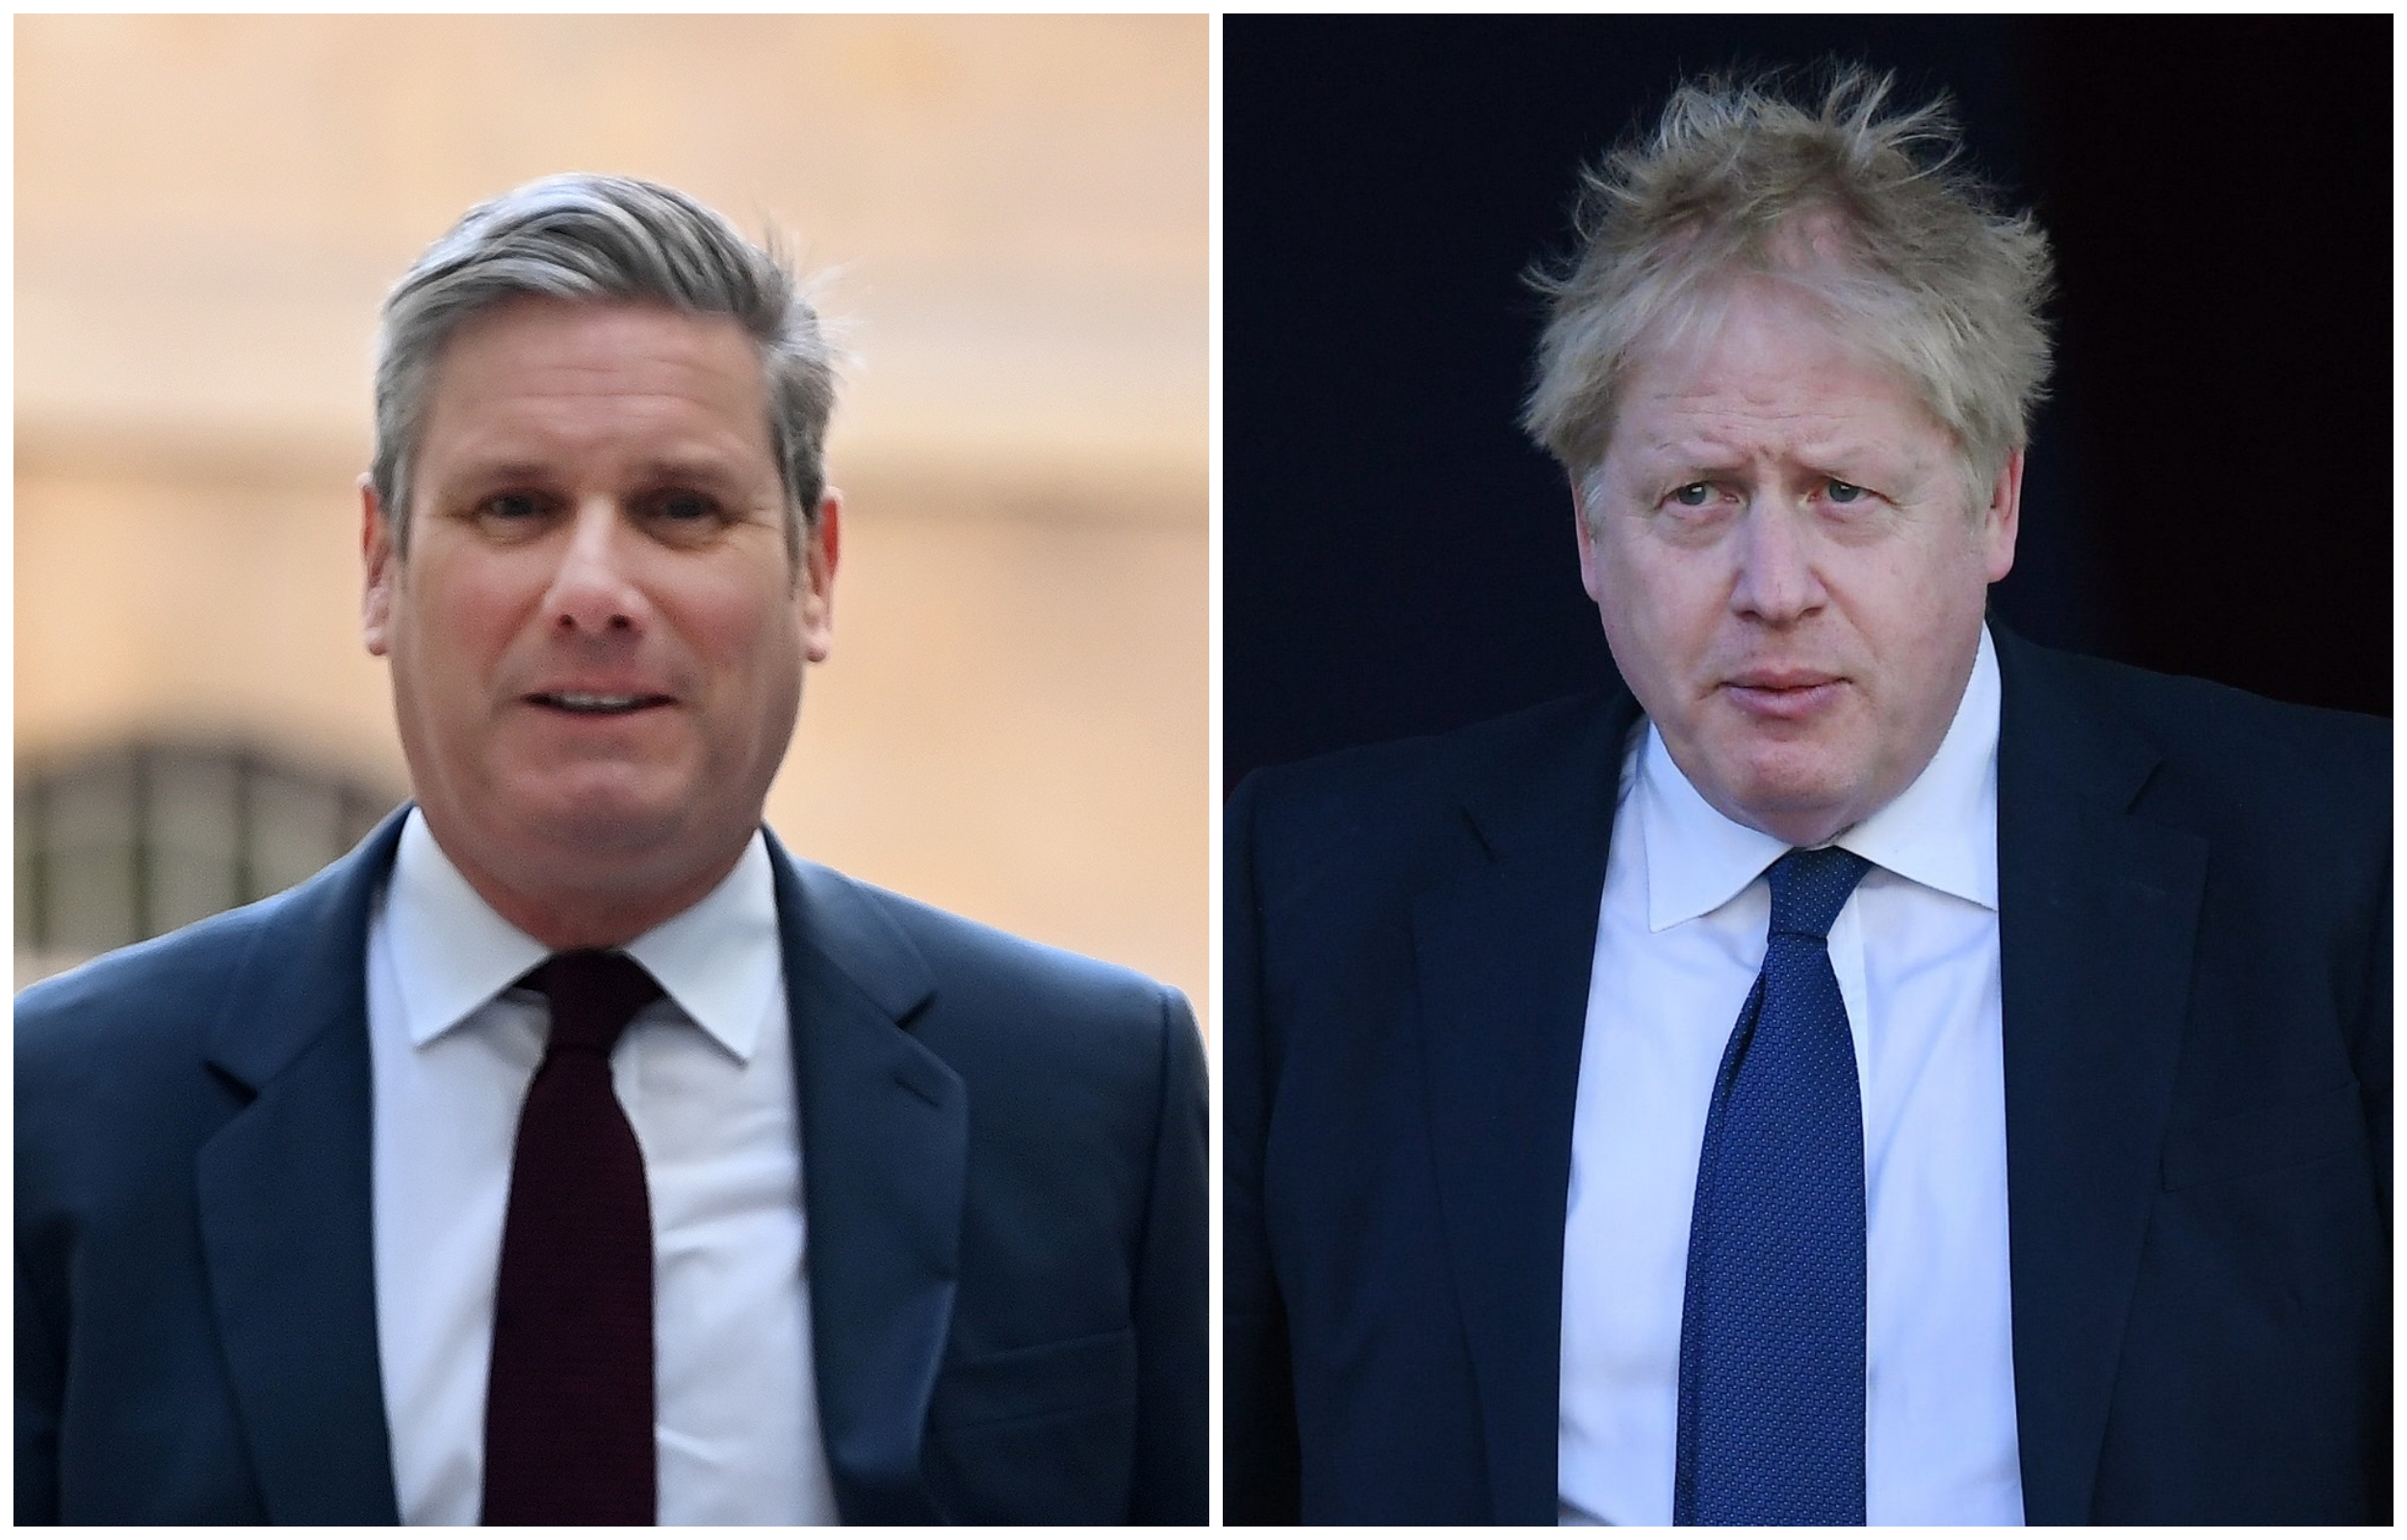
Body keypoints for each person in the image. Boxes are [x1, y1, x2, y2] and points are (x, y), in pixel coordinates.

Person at [1224, 69, 2388, 1526]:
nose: (1774, 592)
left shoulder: (2334, 869)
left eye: (1845, 492)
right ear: (1590, 527)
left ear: (1998, 505)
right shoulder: (1318, 896)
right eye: (1697, 496)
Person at [17, 173, 1205, 1526]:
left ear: (814, 570)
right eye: (515, 507)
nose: (594, 590)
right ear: (378, 564)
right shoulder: (63, 1113)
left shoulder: (1094, 1094)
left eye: (681, 509)